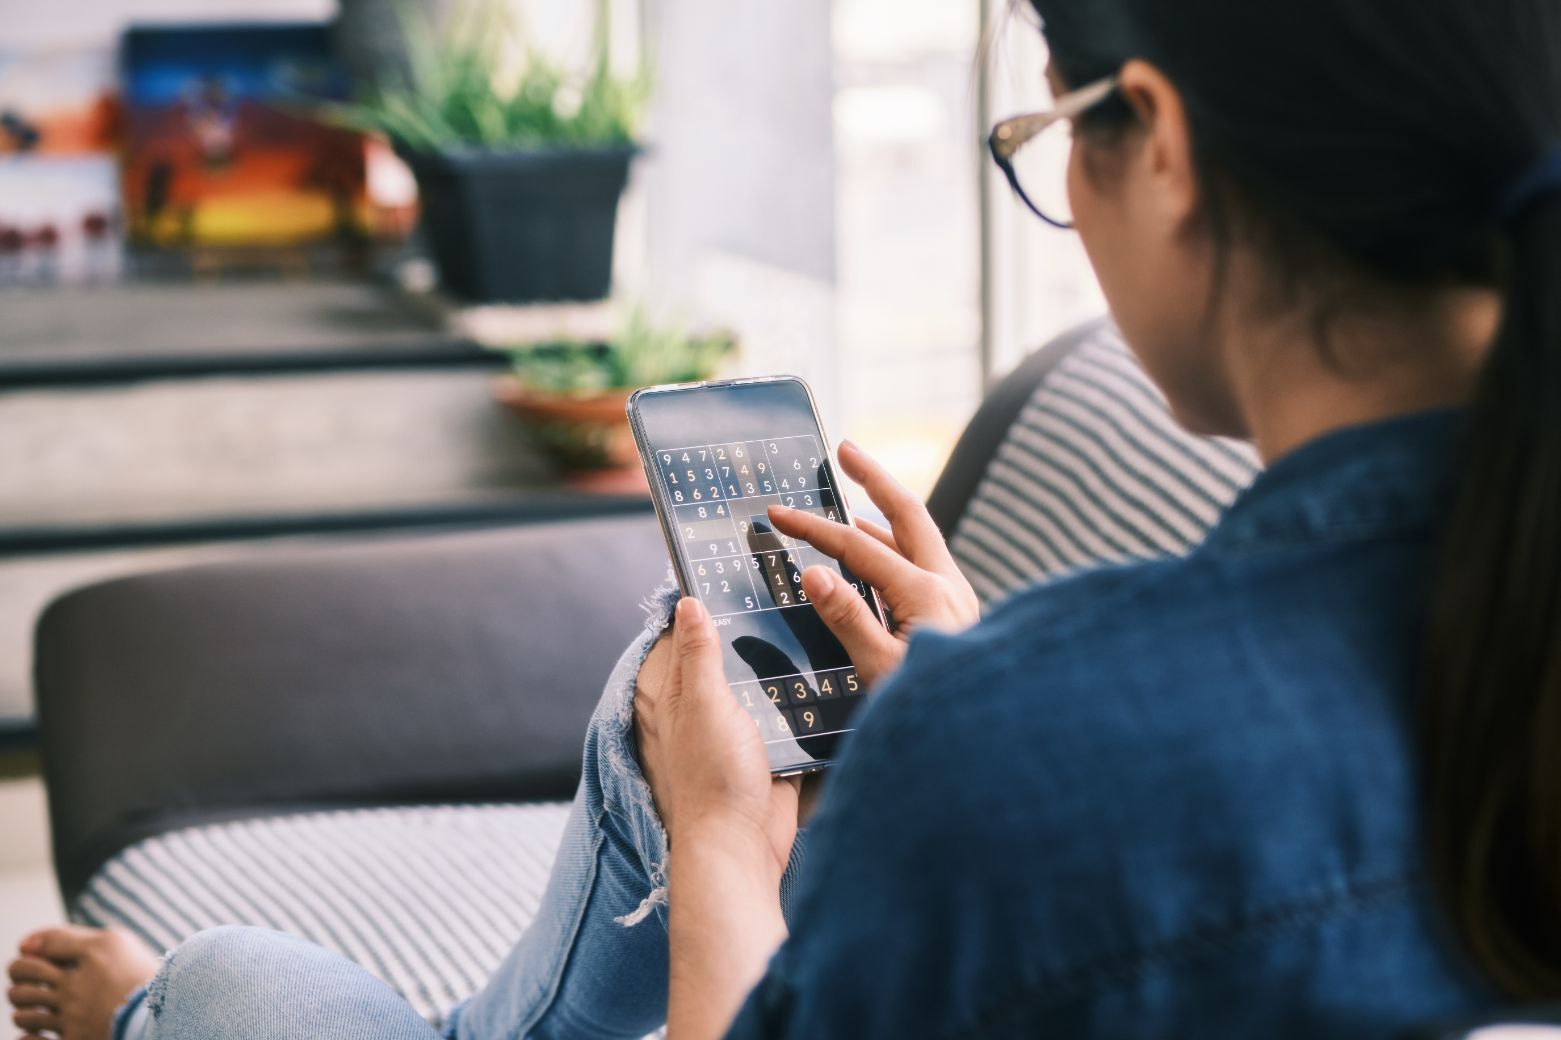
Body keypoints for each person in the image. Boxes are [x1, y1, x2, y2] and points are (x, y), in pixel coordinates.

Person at [12, 0, 1561, 1034]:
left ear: (1152, 141)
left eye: (1042, 143)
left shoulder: (1034, 755)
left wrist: (718, 844)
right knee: (680, 688)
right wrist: (972, 690)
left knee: (227, 988)